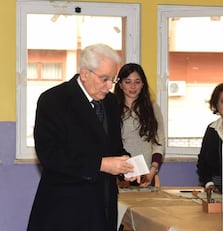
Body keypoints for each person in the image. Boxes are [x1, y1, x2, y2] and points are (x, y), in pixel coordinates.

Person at [27, 44, 139, 231]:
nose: (109, 86)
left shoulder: (110, 102)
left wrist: (128, 165)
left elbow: (113, 147)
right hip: (66, 208)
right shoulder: (54, 100)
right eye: (104, 79)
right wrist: (101, 164)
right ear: (85, 73)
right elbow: (50, 155)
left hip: (103, 204)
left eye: (113, 79)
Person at [114, 63, 165, 188]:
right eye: (128, 82)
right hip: (117, 175)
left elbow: (159, 142)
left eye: (137, 82)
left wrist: (153, 170)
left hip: (146, 175)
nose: (133, 86)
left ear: (143, 84)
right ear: (120, 84)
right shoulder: (111, 108)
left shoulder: (152, 108)